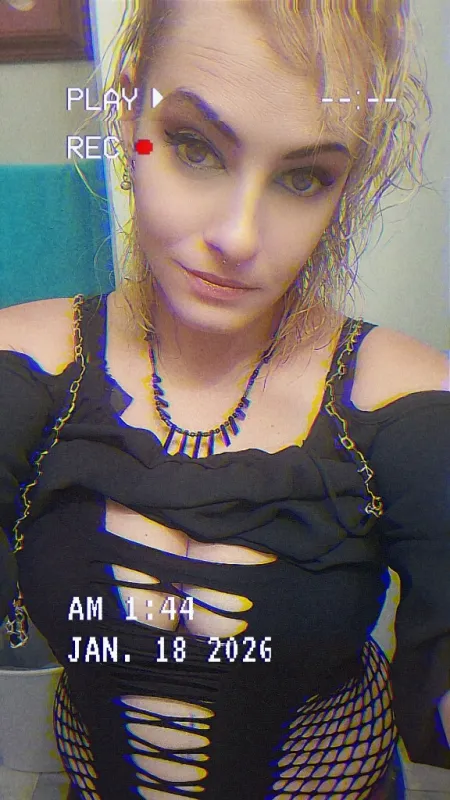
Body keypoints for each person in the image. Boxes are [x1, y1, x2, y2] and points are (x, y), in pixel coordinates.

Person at [0, 0, 449, 797]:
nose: (238, 236)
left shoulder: (405, 403)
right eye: (195, 147)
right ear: (127, 109)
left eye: (304, 177)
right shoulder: (27, 367)